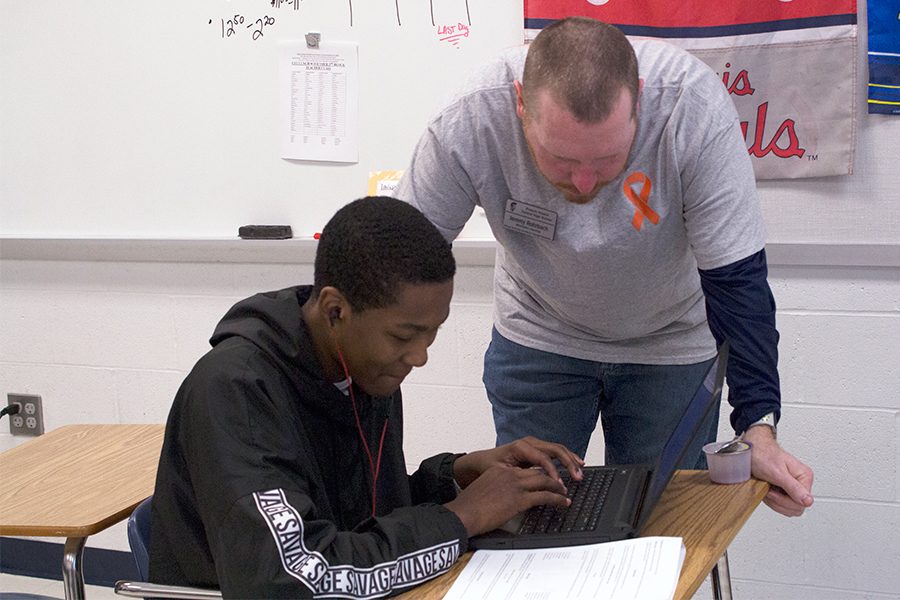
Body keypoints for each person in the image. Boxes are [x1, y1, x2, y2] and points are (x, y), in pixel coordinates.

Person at [396, 16, 814, 517]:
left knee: (661, 531)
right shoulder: (471, 120)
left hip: (670, 341)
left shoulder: (692, 108)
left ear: (638, 99)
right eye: (560, 158)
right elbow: (396, 262)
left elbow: (737, 283)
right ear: (520, 104)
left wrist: (758, 428)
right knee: (530, 522)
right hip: (539, 333)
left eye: (609, 157)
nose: (587, 182)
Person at [148, 197, 583, 598]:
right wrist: (462, 517)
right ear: (336, 310)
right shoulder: (237, 392)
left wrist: (457, 477)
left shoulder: (362, 369)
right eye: (404, 335)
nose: (420, 356)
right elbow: (289, 578)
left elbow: (363, 517)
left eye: (432, 333)